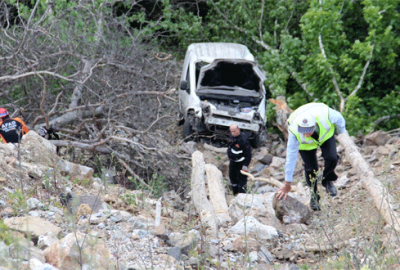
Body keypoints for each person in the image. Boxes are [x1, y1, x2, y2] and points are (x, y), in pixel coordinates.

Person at [276, 103, 347, 211]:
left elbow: (340, 120)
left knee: (332, 158)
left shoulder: (327, 115)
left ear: (314, 125)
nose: (306, 134)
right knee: (311, 170)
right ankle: (314, 195)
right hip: (306, 146)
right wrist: (287, 183)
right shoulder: (294, 131)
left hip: (325, 136)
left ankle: (327, 180)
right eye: (303, 131)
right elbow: (291, 158)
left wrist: (344, 136)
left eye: (308, 131)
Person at [227, 123, 252, 195]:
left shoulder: (244, 140)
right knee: (232, 177)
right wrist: (229, 156)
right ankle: (234, 193)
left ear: (238, 130)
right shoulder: (231, 137)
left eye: (234, 131)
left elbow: (248, 155)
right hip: (232, 162)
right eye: (231, 131)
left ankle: (242, 195)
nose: (232, 133)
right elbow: (229, 147)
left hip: (241, 163)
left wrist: (245, 166)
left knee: (241, 179)